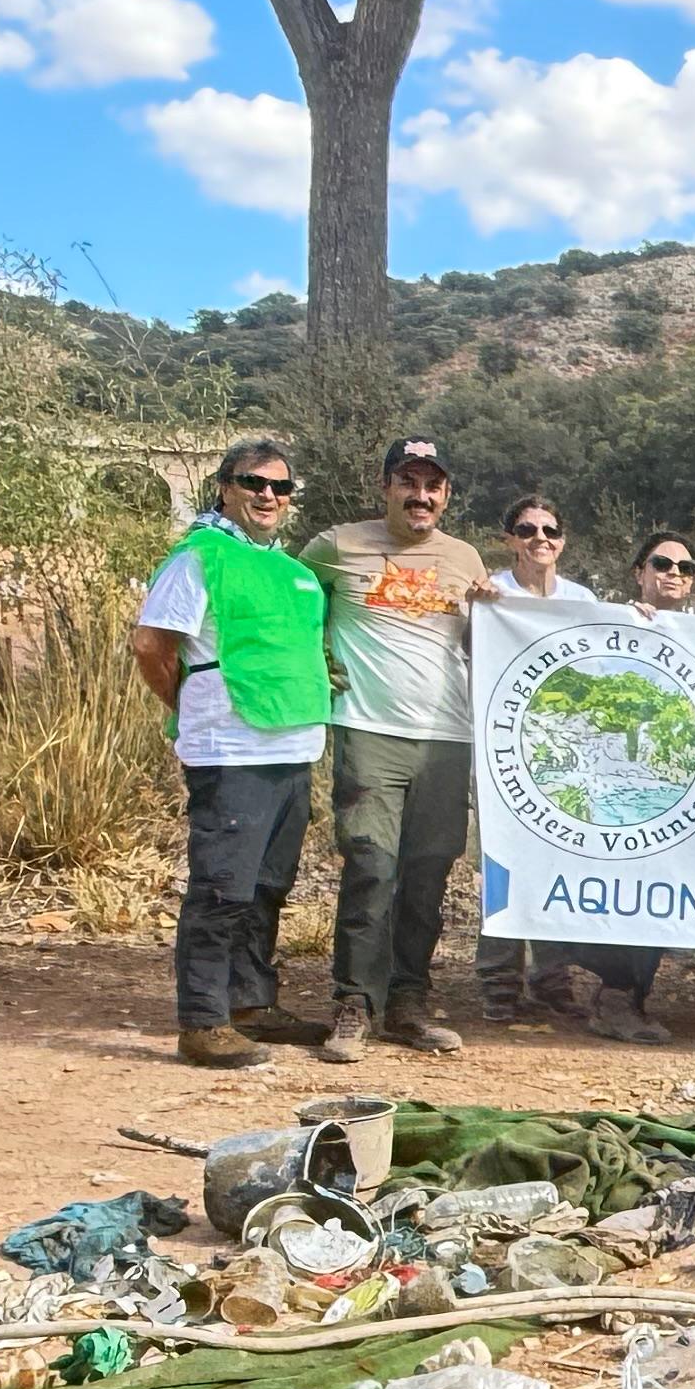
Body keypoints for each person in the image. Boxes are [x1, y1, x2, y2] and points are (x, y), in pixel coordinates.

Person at [131, 434, 333, 1069]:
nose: (268, 495)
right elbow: (150, 645)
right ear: (226, 487)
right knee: (222, 887)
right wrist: (188, 708)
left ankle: (251, 1003)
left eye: (281, 487)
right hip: (231, 747)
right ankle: (203, 1020)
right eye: (254, 483)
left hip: (293, 746)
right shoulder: (199, 558)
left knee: (269, 884)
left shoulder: (295, 571)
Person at [301, 436, 489, 1065]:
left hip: (447, 737)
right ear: (385, 487)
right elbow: (293, 608)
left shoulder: (465, 558)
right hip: (369, 727)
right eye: (408, 481)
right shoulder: (335, 546)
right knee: (371, 865)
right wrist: (312, 662)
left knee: (428, 873)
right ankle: (354, 1004)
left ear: (446, 496)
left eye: (433, 485)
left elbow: (488, 640)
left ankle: (409, 1002)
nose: (421, 495)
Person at [566, 532, 695, 1045]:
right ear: (639, 572)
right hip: (609, 783)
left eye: (686, 568)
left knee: (654, 898)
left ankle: (628, 999)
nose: (674, 573)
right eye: (662, 563)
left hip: (669, 788)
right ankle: (605, 991)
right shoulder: (609, 624)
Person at [474, 490, 598, 1028]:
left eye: (549, 531)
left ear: (562, 542)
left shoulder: (582, 599)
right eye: (527, 531)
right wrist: (473, 608)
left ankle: (552, 976)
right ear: (509, 540)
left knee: (558, 856)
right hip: (502, 745)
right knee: (502, 859)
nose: (539, 540)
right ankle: (498, 978)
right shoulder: (490, 593)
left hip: (565, 751)